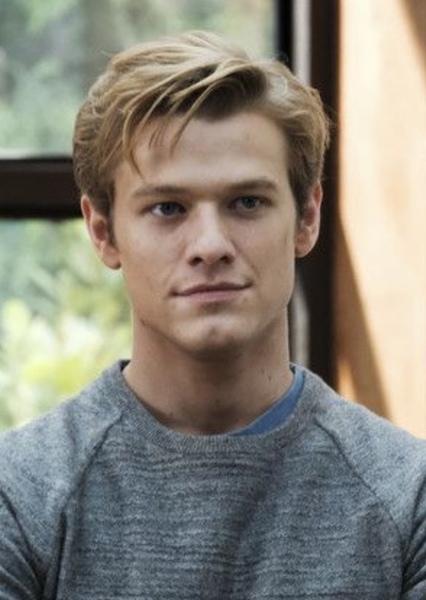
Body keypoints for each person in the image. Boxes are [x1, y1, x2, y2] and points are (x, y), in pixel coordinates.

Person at [0, 30, 425, 600]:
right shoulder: (20, 493)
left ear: (306, 218)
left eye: (247, 202)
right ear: (103, 233)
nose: (210, 245)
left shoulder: (408, 496)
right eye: (167, 208)